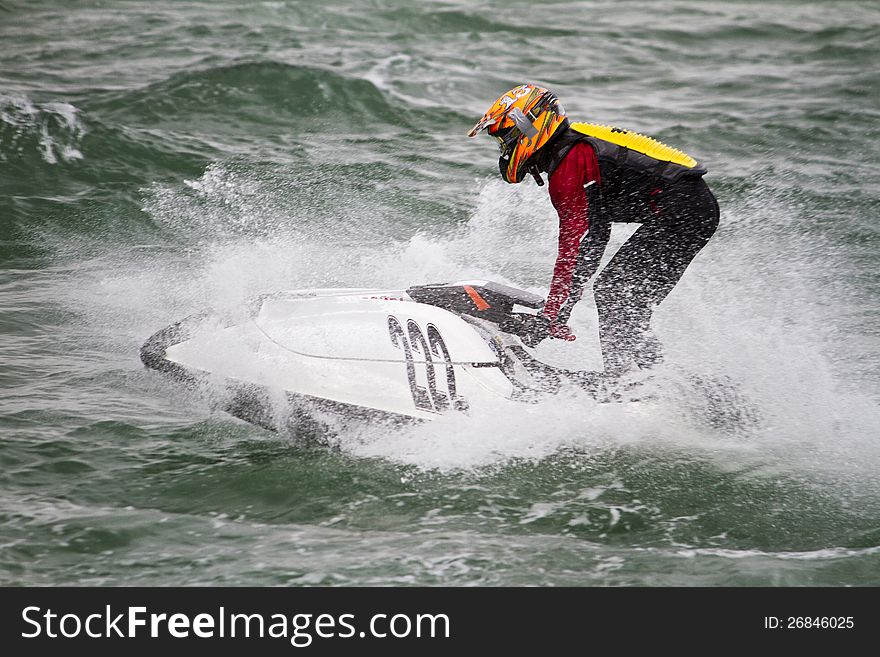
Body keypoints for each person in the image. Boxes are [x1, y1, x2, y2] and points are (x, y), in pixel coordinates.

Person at [468, 84, 719, 385]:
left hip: (685, 211)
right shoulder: (571, 149)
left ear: (531, 126)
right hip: (690, 208)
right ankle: (664, 382)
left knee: (615, 294)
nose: (505, 149)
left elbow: (577, 245)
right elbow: (597, 231)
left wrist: (553, 314)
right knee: (623, 302)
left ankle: (627, 384)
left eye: (506, 139)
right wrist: (558, 312)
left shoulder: (569, 167)